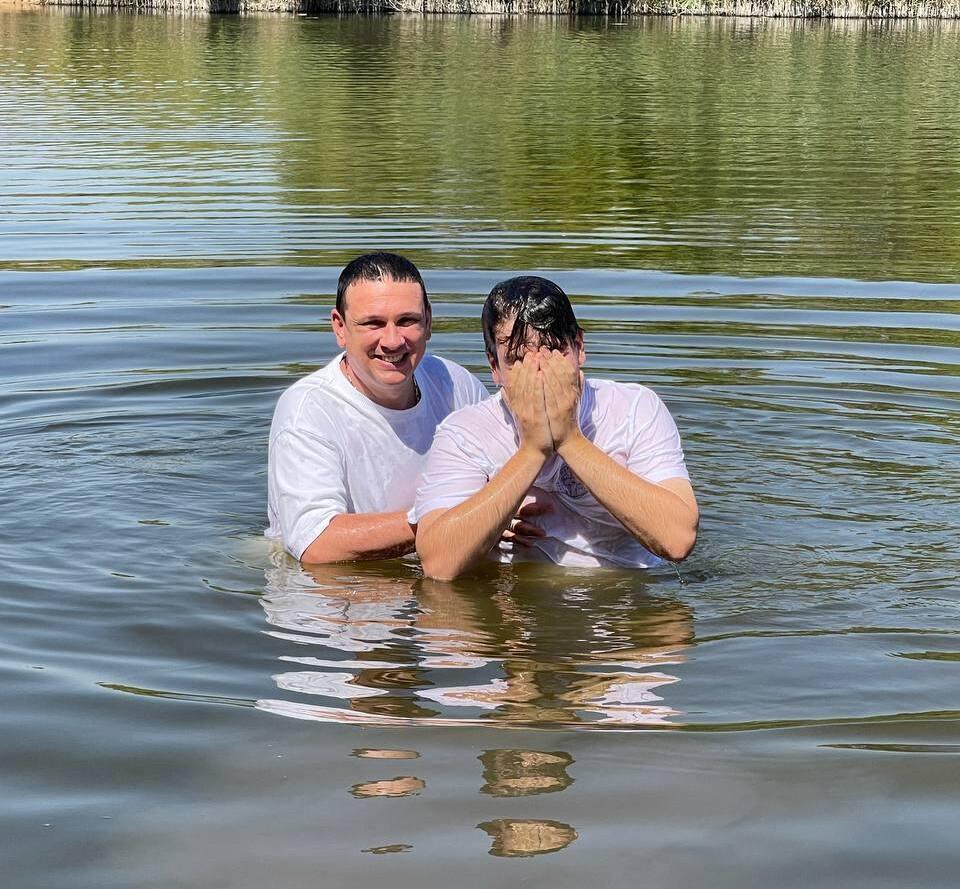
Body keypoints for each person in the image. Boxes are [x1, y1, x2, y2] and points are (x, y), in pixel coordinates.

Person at [413, 275, 699, 581]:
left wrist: (569, 439)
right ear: (494, 368)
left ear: (579, 347)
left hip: (630, 600)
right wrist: (532, 452)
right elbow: (438, 565)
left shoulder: (633, 408)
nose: (539, 373)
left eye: (553, 350)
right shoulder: (465, 432)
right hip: (516, 609)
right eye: (518, 359)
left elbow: (678, 539)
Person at [266, 252, 488, 564]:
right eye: (373, 323)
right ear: (340, 328)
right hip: (335, 594)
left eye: (407, 321)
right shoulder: (308, 410)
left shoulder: (455, 383)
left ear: (429, 320)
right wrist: (447, 523)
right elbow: (316, 544)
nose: (393, 340)